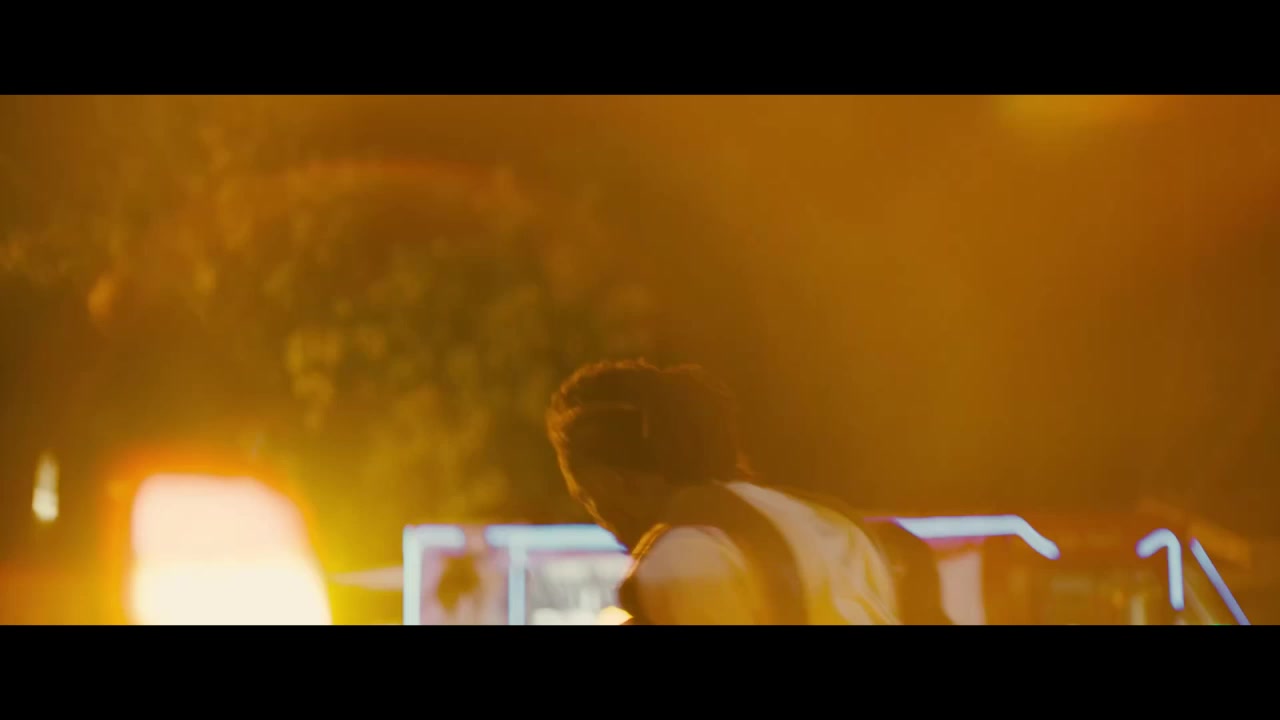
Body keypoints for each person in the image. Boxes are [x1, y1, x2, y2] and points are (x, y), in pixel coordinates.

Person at [545, 359, 900, 625]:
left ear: (614, 484)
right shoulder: (831, 522)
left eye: (587, 498)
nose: (600, 521)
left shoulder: (682, 556)